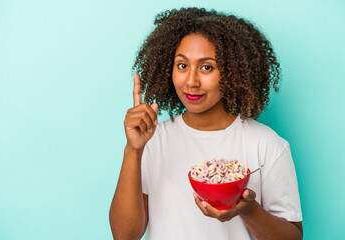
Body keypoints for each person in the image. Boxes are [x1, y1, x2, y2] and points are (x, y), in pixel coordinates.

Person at [109, 7, 303, 240]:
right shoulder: (153, 140)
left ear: (232, 72)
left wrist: (248, 209)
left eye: (207, 67)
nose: (191, 81)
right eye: (182, 65)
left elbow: (293, 237)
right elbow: (125, 236)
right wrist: (133, 150)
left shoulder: (267, 144)